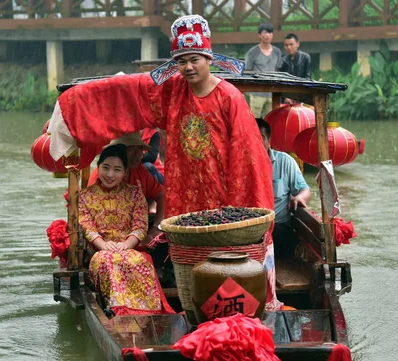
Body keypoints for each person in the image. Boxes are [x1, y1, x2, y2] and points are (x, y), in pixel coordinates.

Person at [48, 14, 277, 309]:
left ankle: (232, 311)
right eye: (182, 61)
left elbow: (248, 159)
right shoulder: (173, 91)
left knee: (225, 264)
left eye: (194, 59)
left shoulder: (230, 98)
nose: (189, 67)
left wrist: (239, 210)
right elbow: (131, 91)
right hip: (185, 200)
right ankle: (193, 310)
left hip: (223, 201)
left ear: (209, 57)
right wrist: (75, 103)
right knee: (192, 268)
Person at [79, 144, 174, 316]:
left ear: (124, 173)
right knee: (109, 261)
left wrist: (125, 245)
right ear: (98, 167)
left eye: (117, 170)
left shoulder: (135, 194)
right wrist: (104, 245)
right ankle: (120, 310)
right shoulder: (85, 196)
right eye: (105, 168)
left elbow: (139, 225)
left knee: (140, 261)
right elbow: (88, 228)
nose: (110, 174)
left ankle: (147, 312)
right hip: (101, 251)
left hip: (129, 248)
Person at [87, 132, 165, 245]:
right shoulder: (101, 177)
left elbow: (162, 195)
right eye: (132, 149)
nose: (138, 154)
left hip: (136, 233)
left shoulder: (140, 171)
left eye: (139, 148)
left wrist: (156, 227)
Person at [257, 118, 311, 259]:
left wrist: (299, 198)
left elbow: (304, 190)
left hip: (278, 227)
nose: (256, 141)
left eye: (261, 137)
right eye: (253, 137)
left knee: (281, 235)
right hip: (251, 229)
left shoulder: (285, 161)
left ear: (269, 141)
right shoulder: (240, 163)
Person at [245, 23, 283, 118]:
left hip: (271, 93)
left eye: (270, 33)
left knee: (270, 121)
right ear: (259, 35)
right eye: (265, 33)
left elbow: (276, 70)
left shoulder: (277, 52)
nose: (267, 35)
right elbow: (247, 71)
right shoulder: (253, 52)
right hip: (256, 92)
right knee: (254, 120)